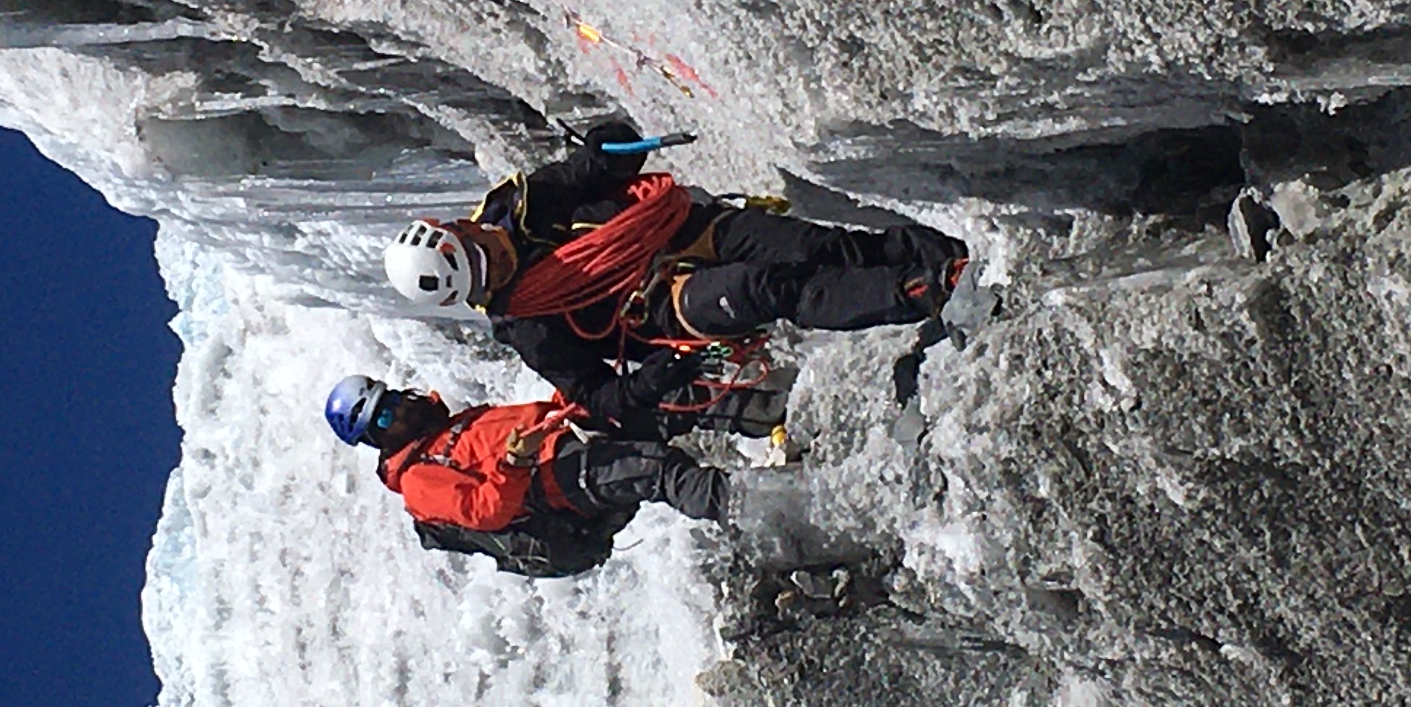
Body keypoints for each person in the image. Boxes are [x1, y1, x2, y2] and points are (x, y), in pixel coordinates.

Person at [377, 125, 965, 428]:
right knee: (771, 288)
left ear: (458, 224)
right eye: (482, 275)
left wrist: (609, 147)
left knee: (821, 244)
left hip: (677, 231)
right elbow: (599, 396)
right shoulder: (525, 325)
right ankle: (924, 290)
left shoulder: (520, 205)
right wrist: (654, 380)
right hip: (662, 304)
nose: (494, 260)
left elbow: (589, 171)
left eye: (478, 248)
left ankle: (943, 253)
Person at [325, 375, 736, 579]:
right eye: (383, 416)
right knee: (656, 470)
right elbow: (485, 511)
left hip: (567, 440)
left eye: (392, 399)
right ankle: (753, 508)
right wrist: (515, 464)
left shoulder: (448, 430)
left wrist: (575, 393)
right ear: (375, 439)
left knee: (672, 402)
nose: (398, 410)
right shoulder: (417, 481)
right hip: (557, 481)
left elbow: (528, 419)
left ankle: (777, 406)